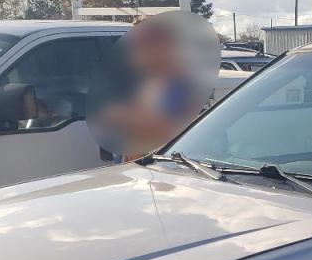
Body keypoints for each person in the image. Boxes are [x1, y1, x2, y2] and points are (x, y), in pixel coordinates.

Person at [90, 9, 219, 159]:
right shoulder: (149, 81)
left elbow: (167, 126)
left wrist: (119, 116)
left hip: (168, 170)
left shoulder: (180, 82)